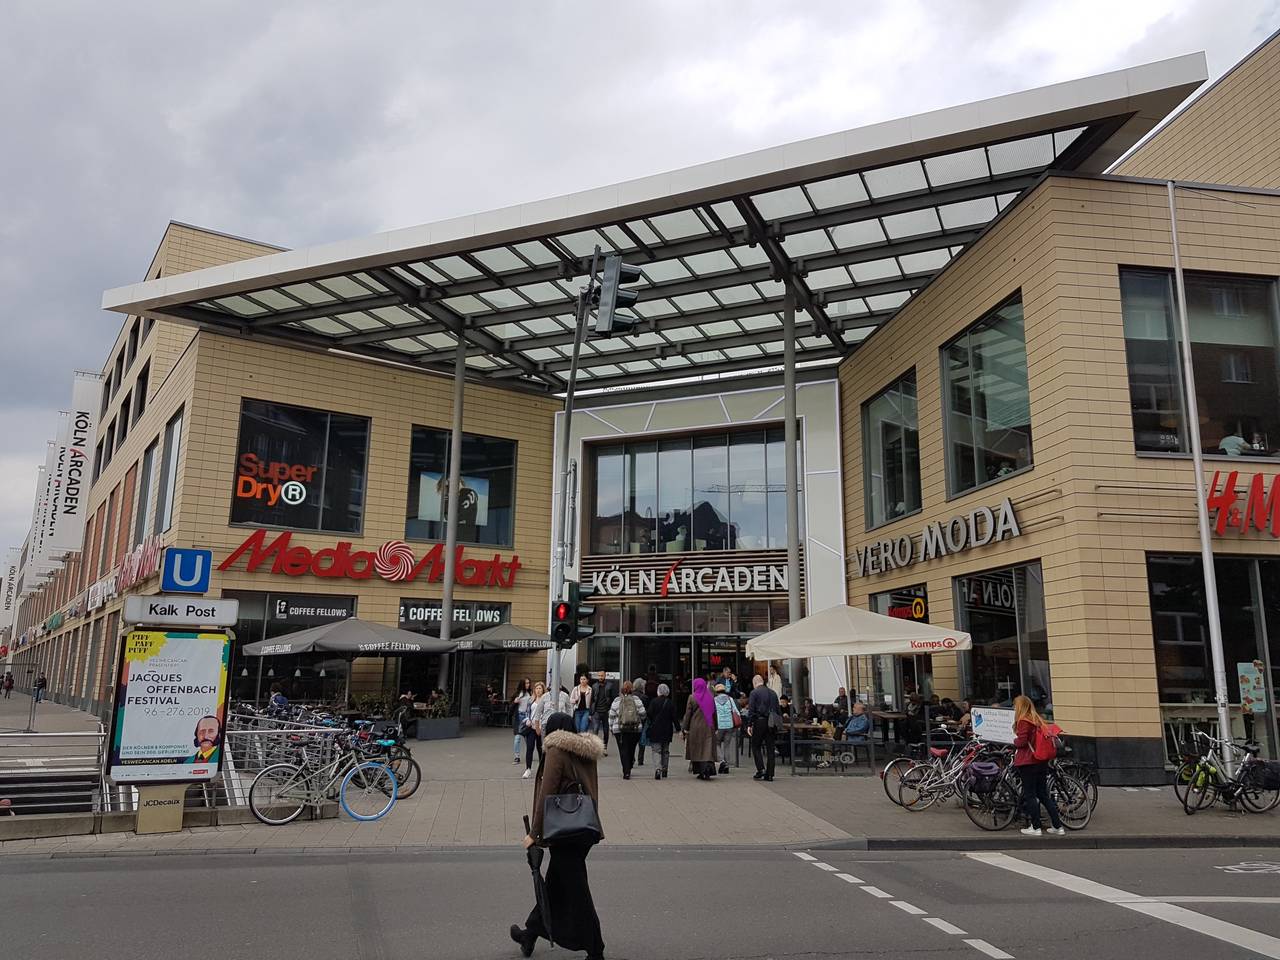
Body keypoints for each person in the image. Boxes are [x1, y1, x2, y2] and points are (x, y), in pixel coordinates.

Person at [512, 711, 605, 960]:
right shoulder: (585, 750)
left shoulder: (556, 750)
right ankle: (530, 933)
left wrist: (534, 834)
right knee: (555, 886)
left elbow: (548, 792)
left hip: (564, 831)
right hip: (584, 827)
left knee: (576, 891)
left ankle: (596, 950)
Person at [1012, 694, 1065, 837]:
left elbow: (1022, 742)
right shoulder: (1038, 720)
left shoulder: (1024, 721)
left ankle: (1035, 827)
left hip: (1028, 761)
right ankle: (1058, 826)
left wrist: (1014, 741)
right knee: (1043, 794)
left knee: (1030, 795)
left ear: (1020, 706)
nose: (1014, 707)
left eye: (1015, 705)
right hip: (1041, 761)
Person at [608, 680, 646, 780]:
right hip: (635, 729)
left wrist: (611, 727)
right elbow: (643, 713)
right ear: (632, 689)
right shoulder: (636, 699)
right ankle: (630, 764)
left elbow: (611, 715)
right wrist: (640, 721)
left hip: (620, 729)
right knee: (631, 748)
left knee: (623, 750)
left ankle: (626, 771)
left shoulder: (617, 700)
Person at [682, 677, 718, 780]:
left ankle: (700, 770)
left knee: (697, 748)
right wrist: (716, 726)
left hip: (696, 727)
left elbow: (688, 714)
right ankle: (708, 768)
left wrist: (685, 728)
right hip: (709, 726)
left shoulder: (692, 697)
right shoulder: (710, 697)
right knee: (708, 748)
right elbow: (714, 713)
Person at [747, 674, 780, 782]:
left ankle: (761, 769)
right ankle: (770, 774)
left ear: (755, 683)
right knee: (770, 748)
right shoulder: (773, 693)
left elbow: (751, 710)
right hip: (772, 722)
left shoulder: (754, 693)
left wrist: (749, 724)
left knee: (756, 745)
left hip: (760, 721)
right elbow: (778, 710)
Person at [646, 683, 679, 780]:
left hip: (655, 729)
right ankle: (665, 769)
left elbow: (649, 714)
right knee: (665, 751)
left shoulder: (654, 702)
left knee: (656, 750)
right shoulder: (670, 703)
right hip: (667, 730)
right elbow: (674, 717)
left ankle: (657, 769)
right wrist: (678, 729)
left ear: (658, 691)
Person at [521, 681, 548, 779]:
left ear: (543, 690)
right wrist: (527, 720)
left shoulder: (546, 700)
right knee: (530, 747)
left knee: (541, 749)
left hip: (541, 728)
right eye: (536, 688)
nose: (538, 690)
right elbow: (526, 712)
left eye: (540, 688)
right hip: (531, 727)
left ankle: (542, 770)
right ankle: (528, 769)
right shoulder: (531, 700)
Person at [712, 683, 739, 774]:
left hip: (719, 726)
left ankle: (722, 761)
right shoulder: (730, 699)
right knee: (727, 745)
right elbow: (736, 712)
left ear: (716, 692)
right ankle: (726, 765)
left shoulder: (714, 700)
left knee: (716, 743)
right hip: (729, 725)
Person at [590, 671, 615, 756]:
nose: (600, 677)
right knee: (595, 729)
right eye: (599, 676)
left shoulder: (610, 685)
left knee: (606, 731)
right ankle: (595, 748)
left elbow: (613, 698)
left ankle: (604, 748)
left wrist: (611, 709)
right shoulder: (594, 686)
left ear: (605, 676)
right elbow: (592, 699)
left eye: (602, 676)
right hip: (596, 711)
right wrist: (591, 712)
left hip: (606, 711)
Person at [512, 679, 534, 765]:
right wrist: (515, 702)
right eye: (526, 683)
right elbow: (511, 706)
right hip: (519, 716)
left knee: (527, 738)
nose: (528, 684)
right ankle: (517, 757)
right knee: (517, 737)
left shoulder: (530, 693)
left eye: (528, 683)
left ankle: (529, 754)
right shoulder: (517, 693)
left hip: (527, 716)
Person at [631, 677, 651, 767]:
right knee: (641, 741)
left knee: (632, 741)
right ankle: (640, 759)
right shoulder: (645, 697)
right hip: (642, 721)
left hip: (631, 720)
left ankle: (632, 758)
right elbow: (648, 710)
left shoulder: (630, 696)